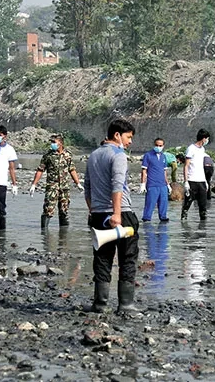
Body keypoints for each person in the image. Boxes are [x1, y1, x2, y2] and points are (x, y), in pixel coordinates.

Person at [84, 119, 140, 314]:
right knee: (128, 257)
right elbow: (117, 185)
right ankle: (126, 305)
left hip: (99, 215)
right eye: (128, 137)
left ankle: (100, 304)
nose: (130, 142)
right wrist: (116, 213)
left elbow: (87, 189)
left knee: (102, 258)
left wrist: (94, 211)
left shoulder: (93, 155)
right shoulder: (118, 155)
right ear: (117, 135)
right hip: (121, 213)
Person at [30, 134, 82, 228]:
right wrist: (34, 184)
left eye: (54, 142)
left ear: (60, 143)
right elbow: (40, 170)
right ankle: (44, 235)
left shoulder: (67, 155)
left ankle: (63, 237)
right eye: (51, 142)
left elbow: (72, 169)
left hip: (64, 188)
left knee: (64, 211)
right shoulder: (48, 156)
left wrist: (78, 183)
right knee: (48, 210)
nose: (52, 144)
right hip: (52, 187)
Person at [0, 126, 19, 231]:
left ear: (5, 136)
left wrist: (14, 184)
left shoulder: (10, 149)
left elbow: (11, 168)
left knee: (1, 209)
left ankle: (2, 232)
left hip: (1, 183)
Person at [181, 129, 211, 221]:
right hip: (192, 180)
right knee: (188, 203)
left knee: (203, 205)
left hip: (201, 180)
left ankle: (203, 228)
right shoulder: (191, 149)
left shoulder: (202, 149)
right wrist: (186, 182)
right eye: (207, 138)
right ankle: (184, 223)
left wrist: (205, 181)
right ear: (203, 138)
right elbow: (186, 166)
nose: (207, 141)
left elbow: (201, 165)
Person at [140, 138, 172, 222]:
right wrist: (142, 184)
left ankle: (163, 218)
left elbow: (164, 171)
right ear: (154, 145)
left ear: (163, 146)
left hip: (163, 185)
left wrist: (167, 184)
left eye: (160, 145)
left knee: (163, 203)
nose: (158, 147)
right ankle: (146, 219)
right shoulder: (148, 155)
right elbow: (144, 170)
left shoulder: (164, 156)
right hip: (152, 184)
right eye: (157, 145)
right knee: (150, 204)